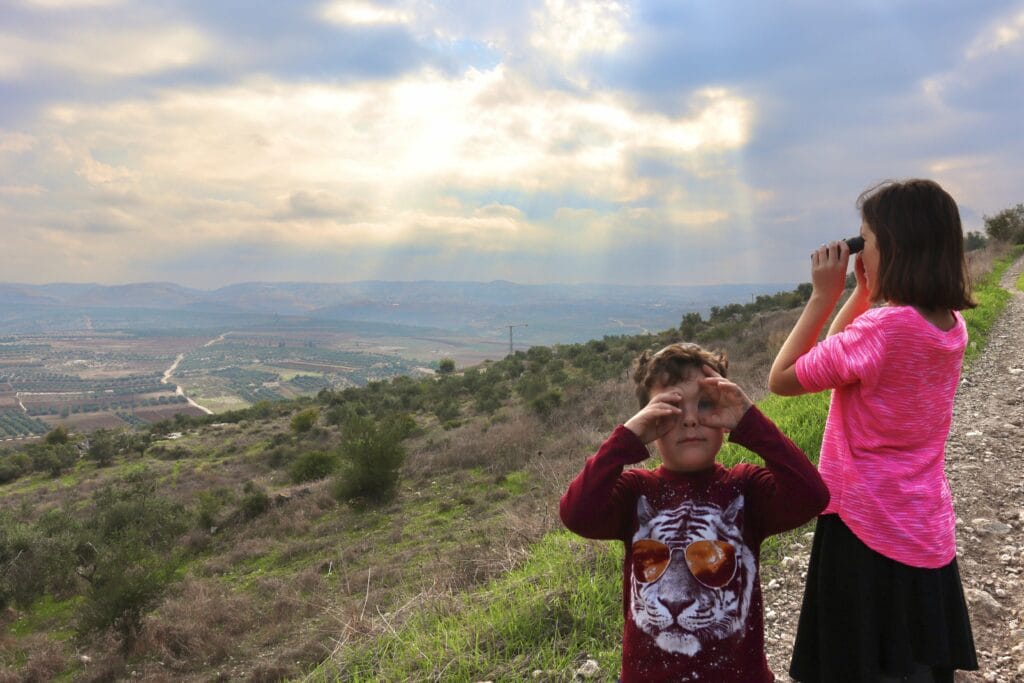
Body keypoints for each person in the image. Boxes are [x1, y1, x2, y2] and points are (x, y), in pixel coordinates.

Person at [768, 178, 980, 682]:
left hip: (861, 525)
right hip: (922, 520)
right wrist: (863, 292)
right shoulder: (949, 325)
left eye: (866, 243)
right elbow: (838, 357)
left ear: (896, 249)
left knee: (858, 661)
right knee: (912, 662)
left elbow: (783, 378)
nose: (859, 254)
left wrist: (823, 296)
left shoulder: (883, 331)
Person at [560, 342, 829, 682]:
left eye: (705, 405)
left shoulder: (745, 488)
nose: (689, 420)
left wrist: (750, 420)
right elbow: (576, 513)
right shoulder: (634, 492)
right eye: (670, 409)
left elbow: (811, 495)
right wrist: (627, 438)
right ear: (649, 421)